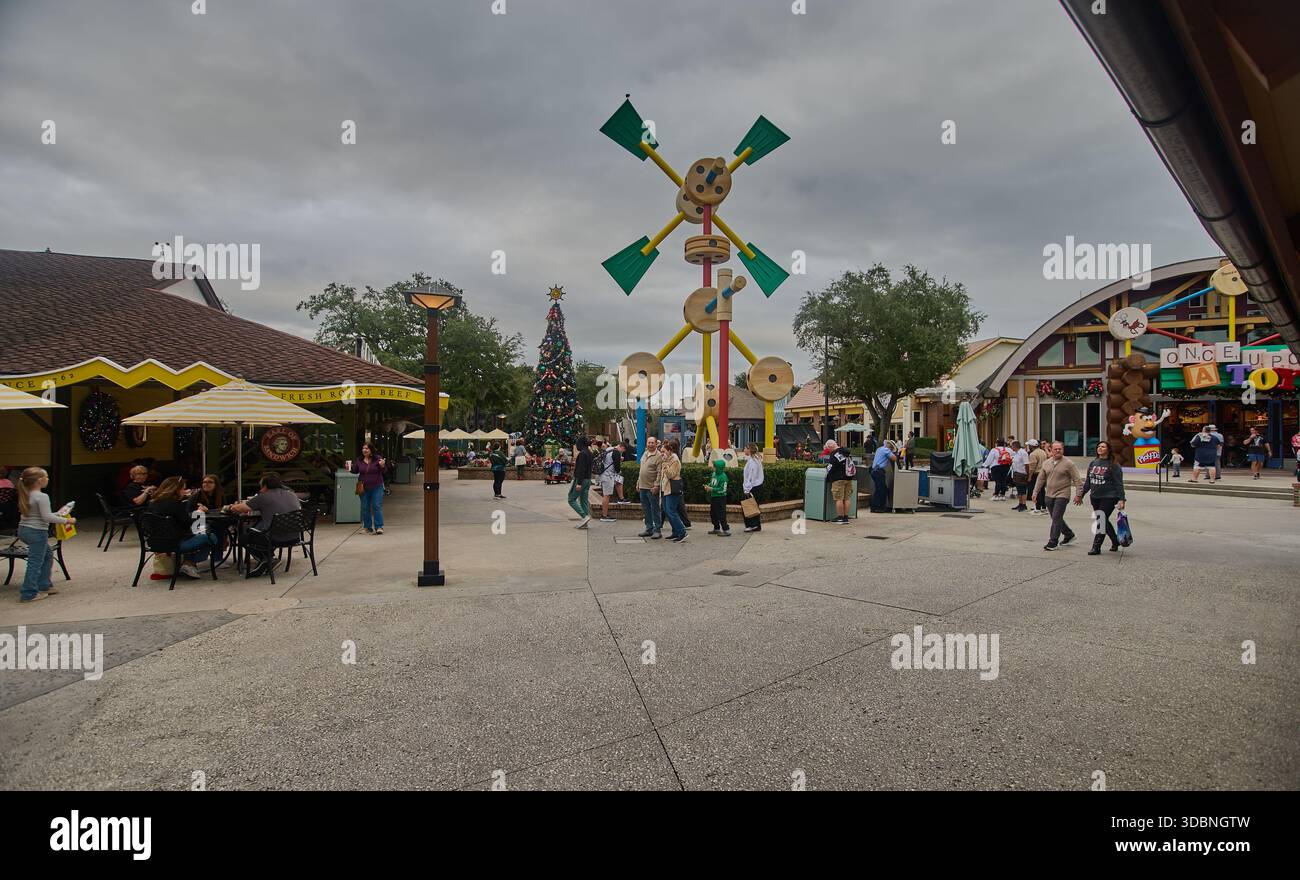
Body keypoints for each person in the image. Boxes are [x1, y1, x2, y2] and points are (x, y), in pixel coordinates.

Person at [16, 467, 74, 603]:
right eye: (46, 477)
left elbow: (42, 515)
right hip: (37, 532)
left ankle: (44, 585)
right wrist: (68, 520)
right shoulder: (42, 496)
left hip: (24, 529)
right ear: (40, 480)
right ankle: (28, 593)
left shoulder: (26, 494)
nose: (48, 479)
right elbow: (47, 518)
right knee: (35, 562)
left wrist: (58, 514)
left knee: (47, 555)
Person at [228, 472, 302, 577]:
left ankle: (267, 559)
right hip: (294, 535)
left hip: (274, 537)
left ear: (265, 485)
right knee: (262, 526)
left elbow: (238, 509)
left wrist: (231, 507)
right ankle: (268, 559)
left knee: (243, 538)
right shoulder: (291, 494)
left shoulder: (263, 497)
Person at [148, 476, 218, 579]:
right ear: (176, 489)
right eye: (183, 489)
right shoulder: (175, 505)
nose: (184, 491)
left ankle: (188, 563)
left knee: (200, 533)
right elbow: (188, 525)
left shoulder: (152, 504)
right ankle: (189, 562)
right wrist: (199, 513)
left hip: (154, 542)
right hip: (174, 543)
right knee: (211, 537)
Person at [1032, 441, 1083, 551]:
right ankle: (1069, 534)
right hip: (1049, 494)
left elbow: (1077, 480)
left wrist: (1079, 494)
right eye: (1055, 449)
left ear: (1063, 450)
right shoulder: (1046, 463)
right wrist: (1035, 492)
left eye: (1060, 449)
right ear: (1051, 450)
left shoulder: (1068, 463)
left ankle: (1053, 541)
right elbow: (1041, 478)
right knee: (1056, 517)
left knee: (1056, 517)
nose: (1058, 451)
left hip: (1063, 494)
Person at [1078, 440, 1125, 555]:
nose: (1100, 448)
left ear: (1108, 449)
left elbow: (1119, 483)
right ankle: (1115, 541)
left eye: (1103, 447)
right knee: (1102, 520)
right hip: (1095, 496)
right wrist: (1081, 495)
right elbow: (1088, 481)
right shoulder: (1094, 463)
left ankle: (1096, 546)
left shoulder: (1114, 465)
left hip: (1109, 496)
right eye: (1099, 446)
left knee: (1101, 520)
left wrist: (1122, 499)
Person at [350, 443, 387, 534]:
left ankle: (379, 527)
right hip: (363, 486)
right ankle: (367, 527)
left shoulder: (377, 458)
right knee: (365, 507)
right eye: (363, 448)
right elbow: (355, 471)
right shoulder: (359, 460)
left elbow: (384, 471)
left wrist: (382, 465)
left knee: (376, 505)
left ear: (371, 450)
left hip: (377, 486)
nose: (364, 450)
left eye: (366, 448)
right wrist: (350, 467)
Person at [659, 440, 687, 543]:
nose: (662, 453)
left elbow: (671, 474)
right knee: (667, 510)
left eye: (664, 451)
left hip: (672, 488)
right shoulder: (667, 459)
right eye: (661, 451)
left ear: (670, 451)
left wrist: (665, 464)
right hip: (665, 487)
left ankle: (682, 532)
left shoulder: (674, 460)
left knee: (671, 511)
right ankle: (675, 532)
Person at [636, 436, 662, 539]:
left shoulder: (659, 456)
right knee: (646, 509)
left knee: (655, 509)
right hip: (643, 486)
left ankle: (657, 530)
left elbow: (660, 473)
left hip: (652, 487)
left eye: (652, 443)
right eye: (649, 442)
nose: (650, 444)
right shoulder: (645, 453)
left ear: (656, 444)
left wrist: (656, 485)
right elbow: (641, 470)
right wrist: (638, 482)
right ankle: (649, 528)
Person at [824, 439, 854, 524]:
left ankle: (840, 517)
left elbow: (830, 467)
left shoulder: (835, 454)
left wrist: (826, 469)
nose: (828, 450)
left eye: (828, 448)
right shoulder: (846, 452)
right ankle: (845, 517)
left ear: (830, 446)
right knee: (847, 498)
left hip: (838, 479)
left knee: (839, 499)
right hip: (848, 478)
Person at [567, 436, 593, 529]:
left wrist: (579, 483)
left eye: (577, 443)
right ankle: (585, 522)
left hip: (581, 479)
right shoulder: (589, 453)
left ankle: (584, 516)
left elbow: (581, 469)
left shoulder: (582, 454)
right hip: (588, 479)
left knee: (571, 499)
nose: (576, 445)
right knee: (584, 500)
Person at [741, 443, 765, 533]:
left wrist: (747, 489)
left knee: (749, 506)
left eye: (745, 448)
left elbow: (751, 477)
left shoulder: (753, 461)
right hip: (756, 487)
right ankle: (755, 525)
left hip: (753, 487)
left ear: (749, 450)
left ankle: (752, 525)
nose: (744, 449)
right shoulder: (755, 459)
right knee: (753, 506)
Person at [597, 438, 621, 522]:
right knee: (606, 496)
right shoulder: (615, 452)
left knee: (606, 495)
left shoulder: (605, 452)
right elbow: (617, 468)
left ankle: (605, 514)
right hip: (608, 476)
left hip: (604, 475)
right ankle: (604, 515)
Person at [869, 439, 896, 513]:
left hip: (874, 471)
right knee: (881, 490)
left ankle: (874, 506)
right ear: (890, 447)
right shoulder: (886, 450)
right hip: (879, 472)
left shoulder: (879, 449)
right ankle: (878, 507)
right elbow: (894, 458)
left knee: (879, 489)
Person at [705, 457, 731, 536]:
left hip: (720, 497)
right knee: (713, 513)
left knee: (721, 513)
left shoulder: (723, 477)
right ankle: (716, 528)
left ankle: (726, 529)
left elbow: (723, 489)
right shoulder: (714, 474)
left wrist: (712, 489)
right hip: (714, 497)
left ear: (719, 468)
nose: (713, 467)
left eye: (714, 466)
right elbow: (712, 483)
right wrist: (708, 486)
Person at [1026, 440, 1047, 514]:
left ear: (1031, 446)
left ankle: (1037, 507)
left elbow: (1032, 467)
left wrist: (1029, 476)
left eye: (1029, 445)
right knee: (1042, 490)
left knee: (1036, 490)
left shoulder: (1033, 454)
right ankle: (1044, 507)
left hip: (1036, 474)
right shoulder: (1043, 452)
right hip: (1043, 473)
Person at [1009, 440, 1030, 511]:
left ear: (1015, 446)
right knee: (1019, 490)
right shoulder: (1016, 453)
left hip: (1022, 473)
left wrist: (1027, 474)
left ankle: (1024, 504)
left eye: (1011, 446)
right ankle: (1020, 503)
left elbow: (1026, 464)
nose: (1011, 448)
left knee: (1023, 490)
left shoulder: (1023, 453)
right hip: (1016, 473)